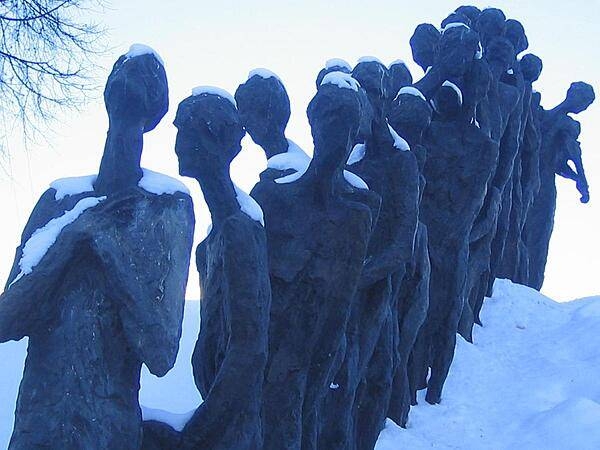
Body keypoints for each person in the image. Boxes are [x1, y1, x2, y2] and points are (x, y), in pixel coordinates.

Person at [0, 47, 194, 450]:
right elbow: (6, 320)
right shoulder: (59, 200)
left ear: (157, 107)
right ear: (107, 92)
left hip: (108, 432)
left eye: (147, 72)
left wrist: (109, 252)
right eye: (122, 66)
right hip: (38, 429)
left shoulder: (167, 206)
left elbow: (160, 352)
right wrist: (70, 241)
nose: (132, 68)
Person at [174, 88, 271, 450]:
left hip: (232, 425)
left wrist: (196, 432)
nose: (178, 142)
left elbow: (250, 347)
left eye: (188, 130)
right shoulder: (212, 239)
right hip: (216, 401)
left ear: (217, 139)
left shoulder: (239, 229)